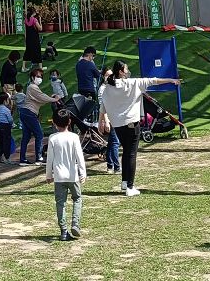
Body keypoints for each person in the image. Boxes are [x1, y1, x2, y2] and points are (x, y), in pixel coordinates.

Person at [97, 60, 180, 196]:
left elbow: (103, 106)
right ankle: (130, 187)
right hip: (131, 124)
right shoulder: (132, 83)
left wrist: (101, 121)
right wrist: (171, 80)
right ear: (121, 71)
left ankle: (124, 182)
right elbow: (154, 81)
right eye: (126, 69)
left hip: (117, 125)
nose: (128, 71)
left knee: (126, 152)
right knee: (131, 154)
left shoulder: (107, 87)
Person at [45, 107, 87, 241]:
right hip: (72, 175)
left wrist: (48, 175)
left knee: (60, 203)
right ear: (69, 122)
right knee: (77, 199)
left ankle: (63, 230)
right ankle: (75, 223)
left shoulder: (52, 138)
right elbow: (79, 157)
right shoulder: (74, 137)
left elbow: (49, 159)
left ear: (54, 123)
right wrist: (83, 172)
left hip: (58, 176)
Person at [17, 67, 57, 164]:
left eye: (41, 77)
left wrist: (49, 98)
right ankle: (38, 158)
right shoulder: (32, 87)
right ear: (32, 77)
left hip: (26, 113)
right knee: (39, 134)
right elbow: (41, 97)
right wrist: (54, 99)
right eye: (37, 76)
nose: (39, 78)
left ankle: (22, 159)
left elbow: (39, 100)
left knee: (26, 137)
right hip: (29, 113)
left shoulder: (32, 87)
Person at [75, 46, 101, 120]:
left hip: (80, 89)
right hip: (89, 89)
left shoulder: (78, 64)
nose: (93, 58)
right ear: (89, 54)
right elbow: (97, 75)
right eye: (93, 56)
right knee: (91, 109)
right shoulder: (90, 64)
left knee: (83, 108)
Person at [0, 91, 14, 164]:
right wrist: (11, 124)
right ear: (5, 101)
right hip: (6, 126)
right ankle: (7, 157)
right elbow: (10, 119)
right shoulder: (7, 110)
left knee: (1, 141)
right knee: (7, 142)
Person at [24, 6, 43, 71]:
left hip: (28, 39)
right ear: (34, 12)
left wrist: (25, 39)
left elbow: (25, 31)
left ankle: (23, 67)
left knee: (27, 52)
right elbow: (40, 29)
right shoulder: (34, 20)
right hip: (35, 39)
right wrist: (40, 20)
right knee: (37, 51)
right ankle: (40, 67)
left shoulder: (26, 19)